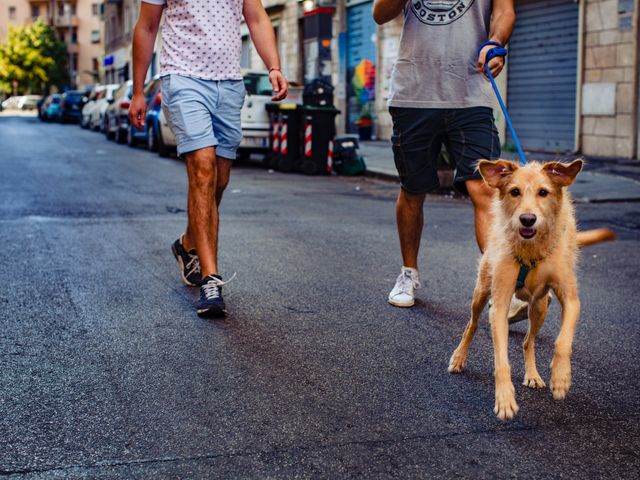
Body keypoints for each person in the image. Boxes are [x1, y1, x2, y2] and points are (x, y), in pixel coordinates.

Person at [130, 0, 288, 317]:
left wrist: (274, 66)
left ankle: (187, 241)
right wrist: (137, 91)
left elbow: (256, 18)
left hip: (229, 84)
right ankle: (210, 279)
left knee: (219, 179)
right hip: (183, 78)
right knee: (203, 169)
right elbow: (146, 27)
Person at [373, 0, 527, 320]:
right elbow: (379, 14)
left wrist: (496, 41)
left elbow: (504, 10)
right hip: (414, 94)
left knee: (485, 188)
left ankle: (500, 288)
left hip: (472, 93)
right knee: (413, 188)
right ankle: (408, 274)